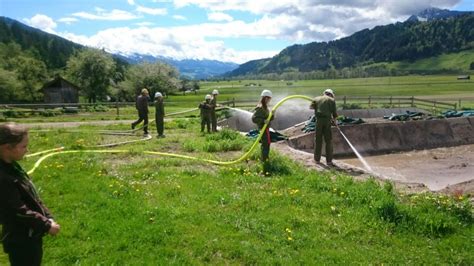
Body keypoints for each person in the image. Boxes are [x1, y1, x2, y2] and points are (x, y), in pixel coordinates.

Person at [0, 123, 60, 266]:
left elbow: (32, 196)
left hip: (31, 233)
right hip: (20, 238)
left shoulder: (13, 167)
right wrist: (46, 225)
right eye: (24, 146)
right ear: (7, 147)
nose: (27, 150)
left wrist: (48, 216)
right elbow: (18, 211)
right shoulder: (3, 177)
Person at [310, 89, 338, 166]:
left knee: (318, 140)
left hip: (318, 121)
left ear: (324, 93)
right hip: (327, 122)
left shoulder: (316, 98)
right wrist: (334, 122)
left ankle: (316, 160)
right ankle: (329, 161)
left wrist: (318, 106)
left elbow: (311, 107)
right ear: (331, 94)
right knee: (328, 141)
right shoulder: (332, 100)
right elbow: (335, 114)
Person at [252, 89, 274, 170]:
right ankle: (264, 160)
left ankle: (265, 158)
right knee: (265, 144)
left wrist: (272, 115)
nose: (268, 100)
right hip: (263, 128)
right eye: (268, 98)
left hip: (266, 128)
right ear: (264, 98)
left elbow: (268, 118)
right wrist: (263, 121)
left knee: (267, 143)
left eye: (269, 99)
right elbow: (254, 119)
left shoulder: (265, 107)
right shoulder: (260, 107)